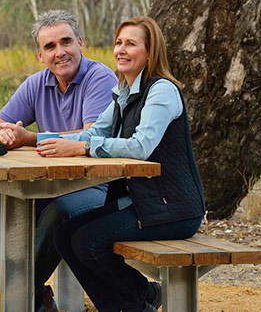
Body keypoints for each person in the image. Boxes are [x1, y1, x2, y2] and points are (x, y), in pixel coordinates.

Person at [37, 16, 206, 312]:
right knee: (65, 234)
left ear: (150, 53)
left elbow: (141, 146)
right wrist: (46, 140)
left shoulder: (162, 91)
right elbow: (93, 132)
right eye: (118, 43)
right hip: (141, 202)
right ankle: (143, 297)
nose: (121, 50)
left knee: (88, 241)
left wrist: (84, 148)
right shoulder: (123, 94)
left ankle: (137, 304)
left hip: (172, 209)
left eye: (131, 44)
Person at [0, 10, 118, 312]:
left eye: (66, 42)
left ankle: (18, 300)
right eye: (50, 46)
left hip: (98, 186)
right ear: (40, 54)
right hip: (48, 186)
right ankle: (34, 299)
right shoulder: (36, 83)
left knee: (58, 212)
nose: (60, 52)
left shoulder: (100, 77)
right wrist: (1, 137)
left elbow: (90, 136)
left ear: (80, 42)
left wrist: (29, 138)